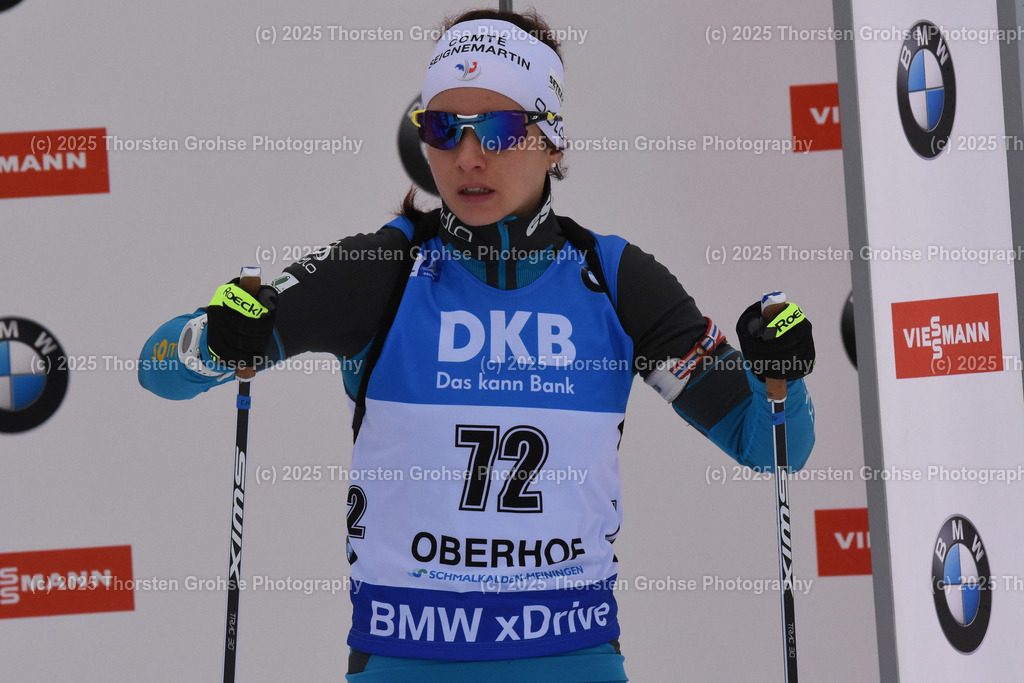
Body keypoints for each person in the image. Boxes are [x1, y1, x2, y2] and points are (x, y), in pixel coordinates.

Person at [139, 8, 815, 682]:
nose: (467, 156)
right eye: (443, 128)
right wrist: (216, 342)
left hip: (570, 658)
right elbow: (157, 365)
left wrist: (779, 375)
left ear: (551, 137)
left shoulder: (612, 279)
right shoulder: (385, 272)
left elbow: (768, 443)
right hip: (405, 657)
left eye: (497, 128)